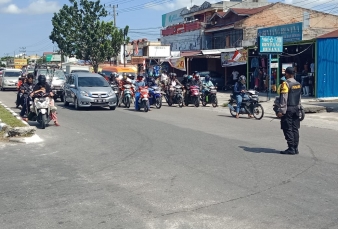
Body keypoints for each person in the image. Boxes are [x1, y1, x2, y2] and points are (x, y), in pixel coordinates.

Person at [277, 67, 302, 155]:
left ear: (287, 74)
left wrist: (281, 111)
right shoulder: (298, 83)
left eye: (285, 73)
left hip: (288, 109)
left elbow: (284, 98)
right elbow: (299, 98)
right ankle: (296, 148)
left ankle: (291, 148)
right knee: (295, 128)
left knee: (287, 128)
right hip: (296, 108)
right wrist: (299, 108)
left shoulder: (286, 84)